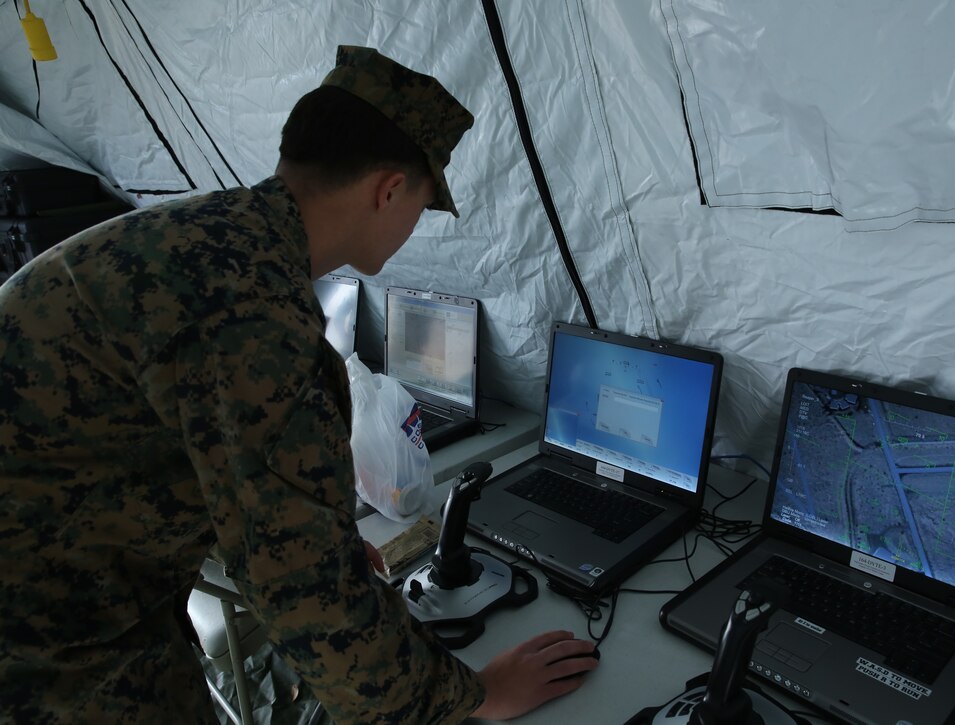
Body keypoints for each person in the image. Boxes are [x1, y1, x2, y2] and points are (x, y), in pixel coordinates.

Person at [0, 45, 598, 723]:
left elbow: (179, 440)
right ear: (389, 189)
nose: (412, 228)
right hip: (50, 650)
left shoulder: (210, 238)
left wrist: (316, 537)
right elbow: (318, 611)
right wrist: (480, 694)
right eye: (424, 206)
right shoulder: (249, 312)